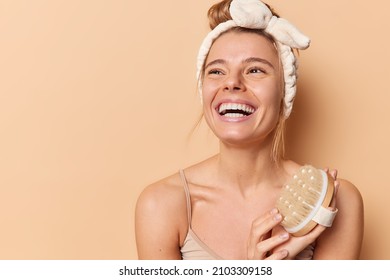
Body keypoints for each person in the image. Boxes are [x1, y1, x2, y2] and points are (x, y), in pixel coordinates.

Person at [135, 0, 364, 260]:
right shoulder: (161, 205)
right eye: (217, 71)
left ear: (284, 91)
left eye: (255, 70)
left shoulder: (336, 202)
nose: (231, 82)